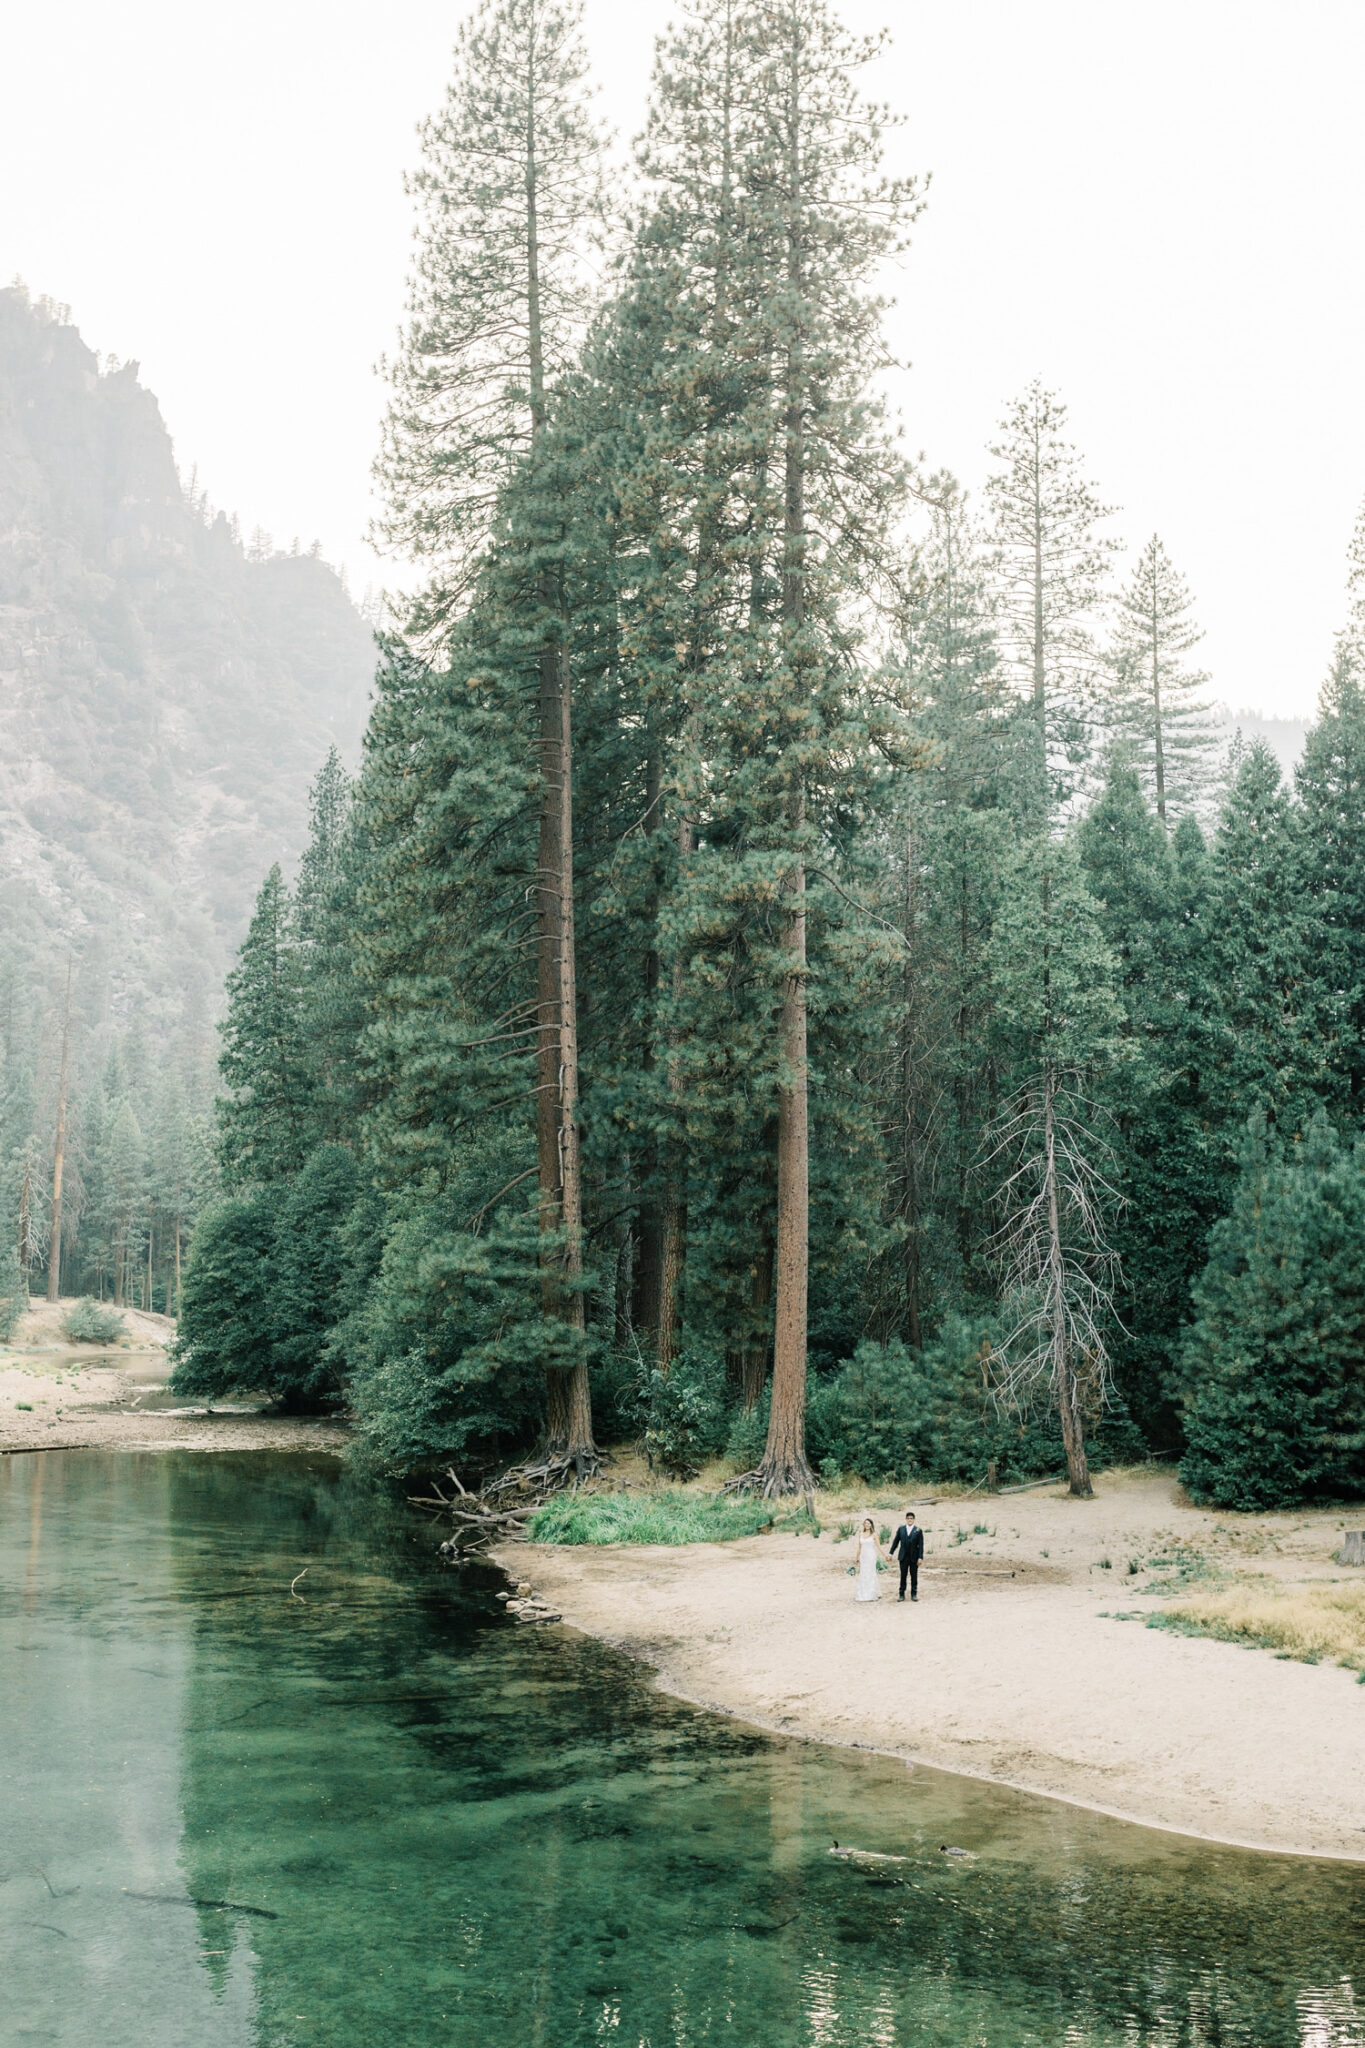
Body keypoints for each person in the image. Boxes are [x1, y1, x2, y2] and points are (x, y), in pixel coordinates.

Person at [889, 1509, 923, 1601]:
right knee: (903, 1576)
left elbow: (921, 1545)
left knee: (914, 1576)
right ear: (906, 1519)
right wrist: (891, 1553)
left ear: (914, 1519)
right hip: (903, 1556)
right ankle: (901, 1594)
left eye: (911, 1518)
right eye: (908, 1518)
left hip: (914, 1557)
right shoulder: (901, 1529)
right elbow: (895, 1542)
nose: (909, 1520)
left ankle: (914, 1594)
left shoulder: (918, 1530)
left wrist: (920, 1557)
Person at [853, 1517, 885, 1603]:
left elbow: (879, 1546)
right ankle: (863, 1593)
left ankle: (872, 1593)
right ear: (864, 1525)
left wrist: (885, 1555)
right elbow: (859, 1547)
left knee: (870, 1573)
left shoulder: (874, 1534)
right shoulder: (861, 1534)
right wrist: (856, 1558)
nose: (867, 1525)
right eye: (865, 1523)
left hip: (871, 1556)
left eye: (868, 1523)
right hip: (863, 1556)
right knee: (863, 1573)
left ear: (871, 1525)